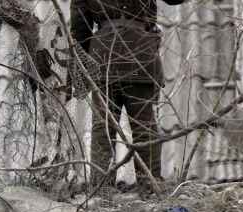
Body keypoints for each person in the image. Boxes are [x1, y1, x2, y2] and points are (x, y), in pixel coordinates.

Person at [69, 0, 186, 196]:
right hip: (141, 56)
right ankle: (150, 187)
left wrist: (81, 75)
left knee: (103, 128)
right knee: (144, 126)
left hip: (103, 60)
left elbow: (80, 30)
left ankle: (100, 190)